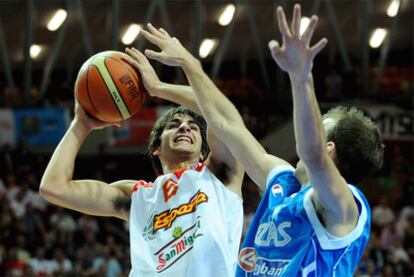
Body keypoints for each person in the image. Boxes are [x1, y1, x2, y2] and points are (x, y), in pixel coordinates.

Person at [132, 3, 384, 276]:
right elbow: (227, 123)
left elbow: (313, 156)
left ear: (329, 148)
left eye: (319, 128)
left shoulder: (343, 209)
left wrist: (301, 79)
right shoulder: (283, 182)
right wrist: (187, 66)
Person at [39, 57, 245, 276]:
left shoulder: (220, 174)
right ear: (156, 147)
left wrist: (159, 88)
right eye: (174, 125)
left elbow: (224, 115)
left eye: (193, 127)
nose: (184, 127)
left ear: (204, 151)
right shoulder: (138, 197)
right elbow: (54, 188)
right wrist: (80, 125)